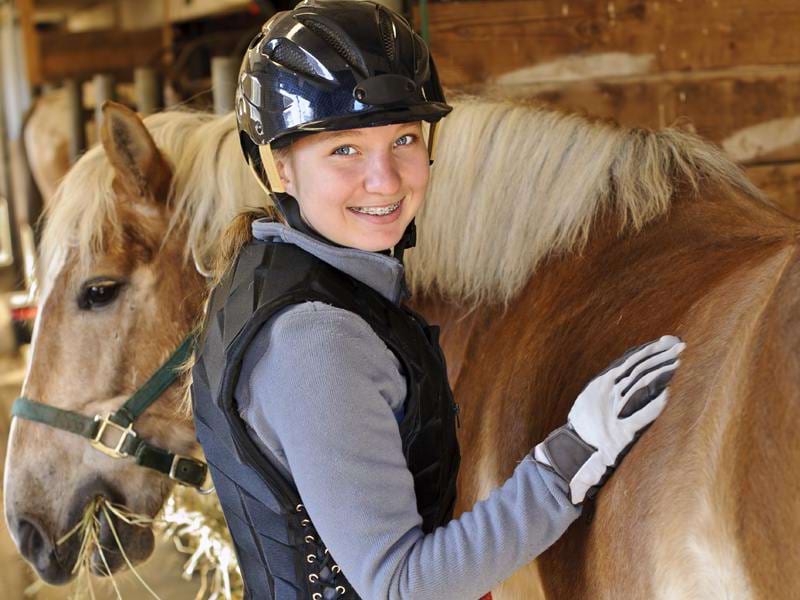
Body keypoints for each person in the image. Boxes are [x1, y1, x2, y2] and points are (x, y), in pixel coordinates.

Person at [190, 1, 686, 599]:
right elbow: (405, 586)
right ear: (277, 167)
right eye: (343, 149)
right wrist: (568, 460)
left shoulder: (293, 277)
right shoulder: (315, 339)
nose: (386, 179)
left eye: (403, 138)